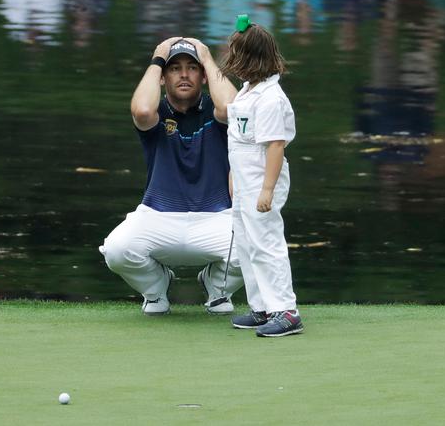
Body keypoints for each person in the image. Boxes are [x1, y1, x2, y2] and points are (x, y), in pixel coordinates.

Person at [100, 37, 243, 315]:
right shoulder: (156, 113)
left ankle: (216, 288)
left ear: (203, 76)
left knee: (254, 249)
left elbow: (231, 109)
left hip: (216, 217)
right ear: (163, 78)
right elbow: (141, 110)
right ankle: (156, 289)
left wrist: (207, 56)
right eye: (175, 68)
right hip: (157, 215)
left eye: (192, 68)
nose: (184, 74)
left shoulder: (217, 114)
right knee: (117, 250)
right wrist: (157, 58)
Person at [221, 19, 303, 337]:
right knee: (246, 243)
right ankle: (262, 307)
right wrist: (233, 175)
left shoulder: (270, 98)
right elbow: (240, 139)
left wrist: (267, 188)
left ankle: (285, 309)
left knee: (265, 243)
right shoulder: (248, 91)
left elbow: (274, 145)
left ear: (251, 60)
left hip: (260, 179)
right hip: (244, 179)